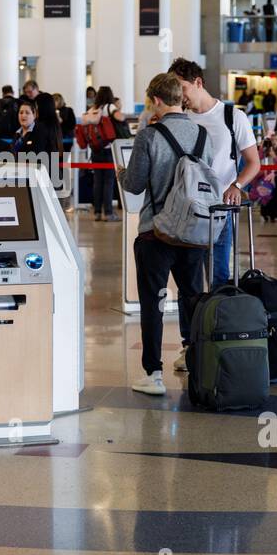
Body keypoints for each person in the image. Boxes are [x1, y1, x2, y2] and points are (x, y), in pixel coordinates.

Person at [118, 72, 212, 396]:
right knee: (192, 297)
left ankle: (153, 374)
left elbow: (134, 184)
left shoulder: (149, 136)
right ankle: (194, 356)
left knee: (153, 302)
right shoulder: (202, 135)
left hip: (155, 232)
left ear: (156, 99)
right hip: (194, 232)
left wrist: (121, 171)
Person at [169, 58, 260, 301]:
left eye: (183, 88)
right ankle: (191, 336)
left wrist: (236, 186)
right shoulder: (181, 119)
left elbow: (254, 162)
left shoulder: (232, 117)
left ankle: (218, 333)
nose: (180, 95)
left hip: (220, 211)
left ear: (198, 82)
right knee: (188, 280)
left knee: (219, 275)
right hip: (187, 211)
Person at [85, 86, 126, 221]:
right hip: (108, 149)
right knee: (108, 182)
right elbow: (120, 118)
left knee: (98, 181)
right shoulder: (109, 107)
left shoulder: (93, 109)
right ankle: (108, 213)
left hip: (95, 149)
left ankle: (97, 212)